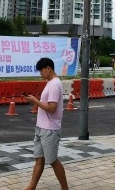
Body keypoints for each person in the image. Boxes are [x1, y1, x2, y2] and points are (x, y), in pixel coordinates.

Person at [25, 57, 68, 190]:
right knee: (39, 159)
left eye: (41, 70)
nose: (40, 73)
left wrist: (35, 102)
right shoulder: (50, 83)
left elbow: (52, 108)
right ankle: (31, 187)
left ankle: (65, 188)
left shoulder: (55, 84)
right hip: (41, 127)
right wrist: (36, 101)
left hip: (49, 129)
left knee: (53, 161)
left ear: (48, 68)